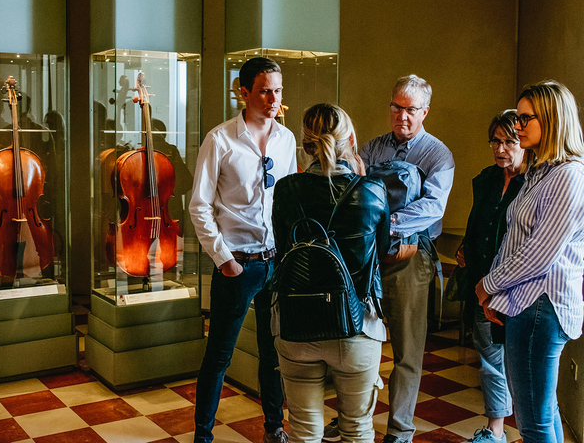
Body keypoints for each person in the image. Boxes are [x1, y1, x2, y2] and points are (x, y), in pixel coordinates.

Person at [189, 57, 297, 443]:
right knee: (219, 355)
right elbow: (198, 205)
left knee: (273, 355)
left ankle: (274, 429)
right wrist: (225, 259)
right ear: (244, 91)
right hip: (237, 264)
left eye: (279, 90)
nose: (274, 98)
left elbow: (288, 201)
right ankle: (203, 435)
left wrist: (288, 254)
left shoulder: (286, 140)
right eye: (266, 90)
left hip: (275, 263)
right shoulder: (220, 139)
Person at [271, 104, 389, 443]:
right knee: (356, 429)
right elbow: (379, 255)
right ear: (350, 140)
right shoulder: (372, 191)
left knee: (304, 432)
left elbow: (283, 250)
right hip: (357, 327)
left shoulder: (286, 189)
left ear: (306, 145)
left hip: (296, 324)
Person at [476, 80, 584, 443]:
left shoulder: (568, 175)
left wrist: (488, 285)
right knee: (544, 410)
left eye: (525, 118)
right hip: (527, 303)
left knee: (533, 422)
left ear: (551, 118)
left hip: (542, 308)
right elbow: (514, 240)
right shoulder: (541, 171)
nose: (517, 125)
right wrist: (499, 296)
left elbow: (539, 255)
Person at [354, 74, 454, 443]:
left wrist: (386, 223)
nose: (402, 116)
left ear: (424, 111)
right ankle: (355, 418)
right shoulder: (372, 148)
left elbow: (432, 206)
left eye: (411, 109)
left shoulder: (438, 154)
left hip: (412, 256)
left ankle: (400, 429)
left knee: (407, 350)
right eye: (397, 107)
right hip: (368, 254)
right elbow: (354, 188)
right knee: (360, 341)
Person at [456, 111, 525, 443]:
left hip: (521, 290)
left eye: (509, 141)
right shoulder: (486, 179)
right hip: (484, 286)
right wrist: (465, 249)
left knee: (524, 364)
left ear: (525, 143)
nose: (501, 148)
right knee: (490, 361)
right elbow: (477, 226)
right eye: (496, 141)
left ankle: (530, 429)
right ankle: (495, 430)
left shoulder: (535, 184)